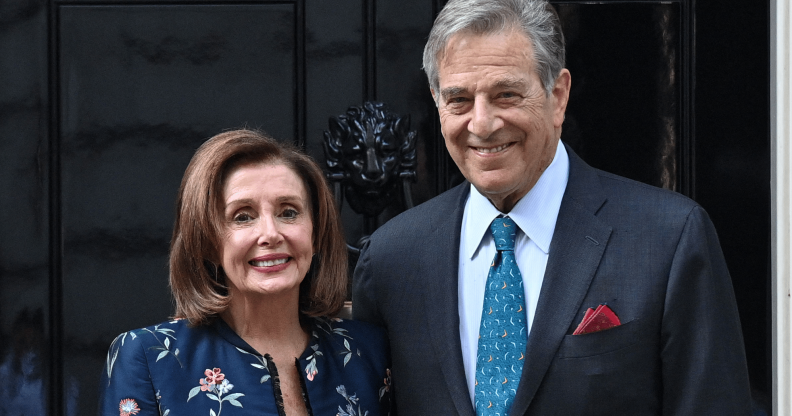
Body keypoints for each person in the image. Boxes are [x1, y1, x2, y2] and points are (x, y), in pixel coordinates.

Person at [352, 0, 752, 414]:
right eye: (459, 100)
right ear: (437, 103)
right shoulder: (391, 260)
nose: (482, 123)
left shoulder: (669, 240)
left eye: (506, 94)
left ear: (557, 95)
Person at [100, 129, 390, 416]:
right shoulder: (147, 358)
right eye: (243, 217)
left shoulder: (368, 352)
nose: (270, 234)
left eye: (288, 212)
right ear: (207, 242)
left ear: (316, 233)